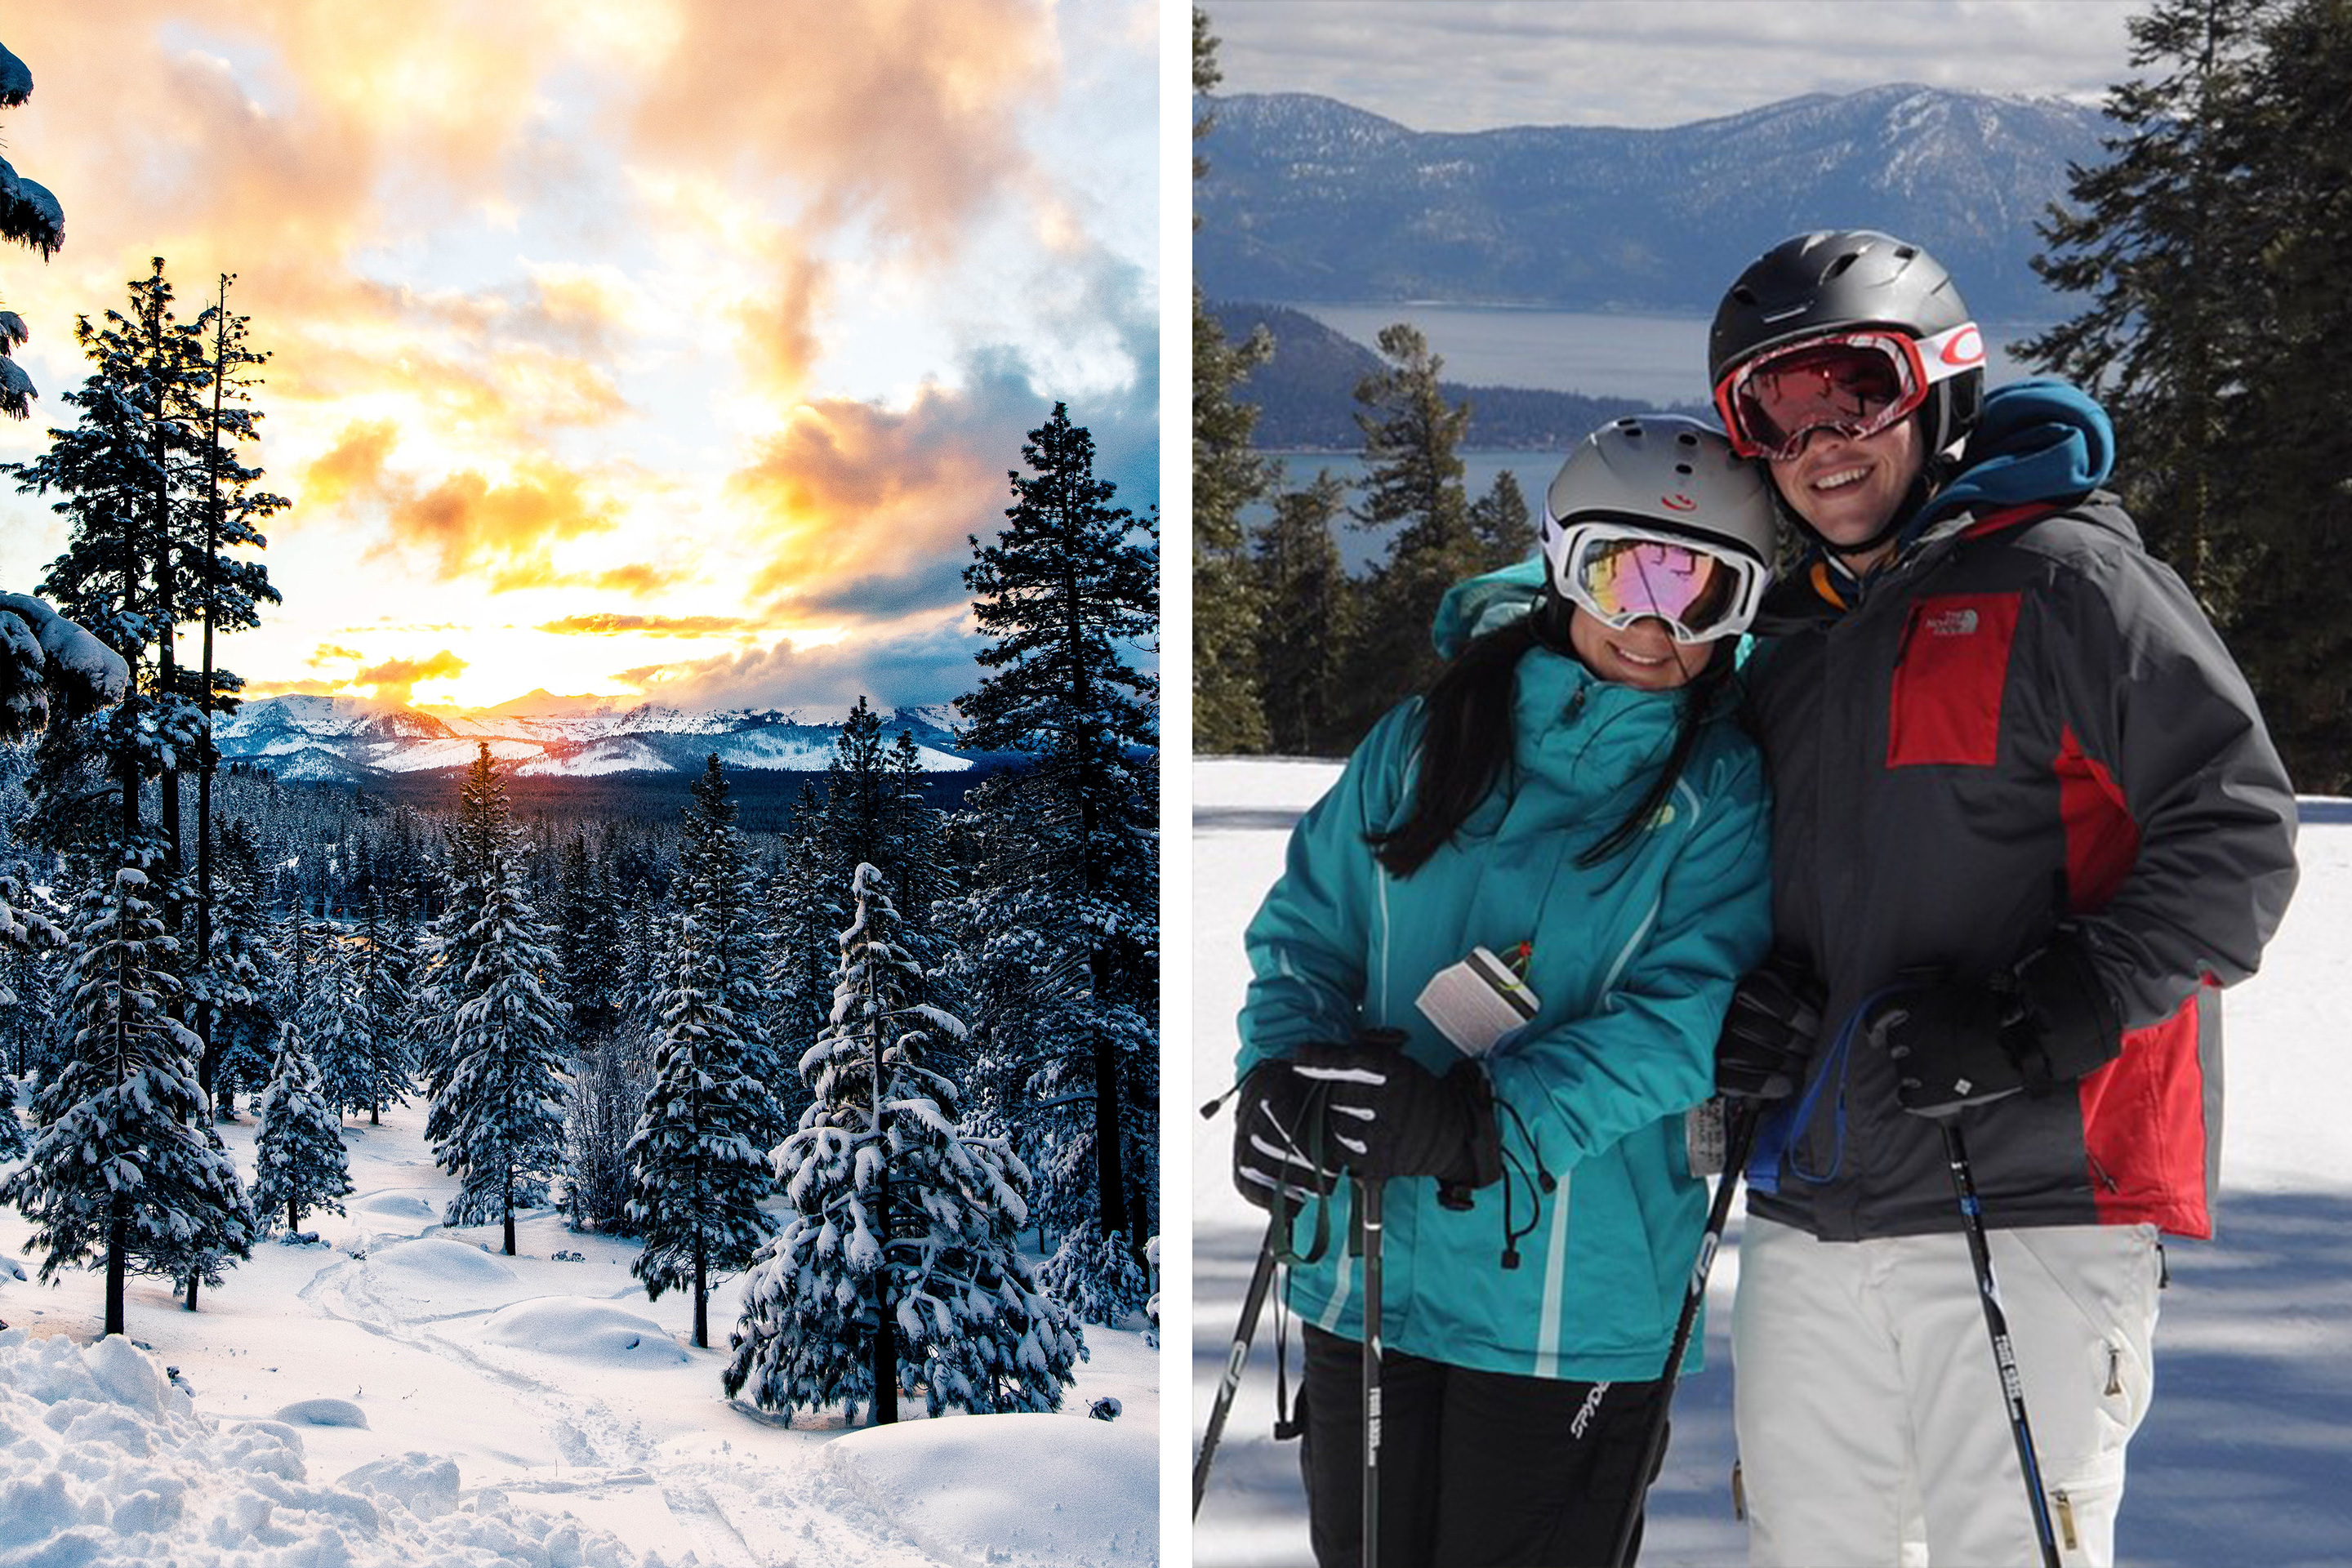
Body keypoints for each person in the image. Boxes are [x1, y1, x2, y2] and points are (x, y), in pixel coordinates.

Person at [1705, 229, 2300, 1567]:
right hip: (1813, 1205)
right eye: (1772, 411)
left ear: (1939, 383)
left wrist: (2054, 1014)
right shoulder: (1787, 641)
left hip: (2034, 1194)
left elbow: (2239, 837)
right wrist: (1743, 1020)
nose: (1819, 440)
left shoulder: (2070, 583)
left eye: (1852, 388)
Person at [1232, 414, 1776, 1568]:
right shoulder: (1428, 741)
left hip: (1569, 1305)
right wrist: (1279, 1081)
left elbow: (1685, 1022)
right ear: (1560, 563)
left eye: (1702, 595)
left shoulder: (1719, 792)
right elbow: (1305, 939)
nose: (1653, 621)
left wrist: (1485, 1122)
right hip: (1363, 1262)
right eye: (1624, 571)